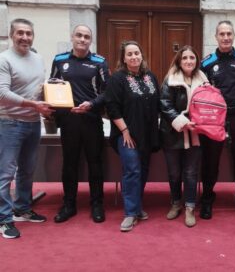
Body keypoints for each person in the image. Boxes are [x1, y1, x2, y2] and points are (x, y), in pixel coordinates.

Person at [0, 18, 53, 239]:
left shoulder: (38, 58)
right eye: (20, 33)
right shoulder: (4, 59)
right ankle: (4, 219)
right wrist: (33, 105)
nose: (25, 37)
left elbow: (39, 89)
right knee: (5, 173)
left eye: (29, 33)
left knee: (27, 170)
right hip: (9, 123)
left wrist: (48, 104)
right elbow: (2, 94)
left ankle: (22, 208)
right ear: (12, 35)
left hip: (33, 123)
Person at [51, 25, 109, 223]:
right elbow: (52, 86)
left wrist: (91, 104)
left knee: (95, 163)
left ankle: (97, 204)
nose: (82, 39)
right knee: (69, 164)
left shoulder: (99, 62)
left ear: (90, 40)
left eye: (86, 37)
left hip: (91, 120)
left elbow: (107, 92)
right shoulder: (59, 60)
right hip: (68, 122)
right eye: (79, 35)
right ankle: (69, 204)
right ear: (72, 37)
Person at [199, 20, 235, 220]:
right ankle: (207, 200)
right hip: (215, 119)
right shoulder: (206, 63)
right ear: (215, 37)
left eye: (229, 34)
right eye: (222, 34)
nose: (225, 37)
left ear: (233, 36)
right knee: (211, 160)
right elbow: (202, 91)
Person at [105, 41, 160, 232]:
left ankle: (136, 207)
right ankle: (130, 213)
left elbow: (158, 103)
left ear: (141, 55)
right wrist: (125, 131)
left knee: (143, 170)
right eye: (129, 54)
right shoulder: (117, 79)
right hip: (126, 134)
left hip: (147, 134)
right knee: (132, 170)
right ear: (123, 58)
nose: (134, 57)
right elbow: (111, 107)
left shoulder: (150, 76)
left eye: (137, 53)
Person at [160, 46, 208, 227]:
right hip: (173, 133)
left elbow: (208, 103)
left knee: (190, 173)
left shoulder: (204, 79)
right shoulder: (170, 79)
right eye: (185, 58)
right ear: (179, 61)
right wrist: (181, 121)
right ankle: (175, 203)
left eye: (192, 58)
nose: (189, 61)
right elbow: (164, 104)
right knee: (174, 174)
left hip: (195, 133)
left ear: (196, 60)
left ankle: (189, 207)